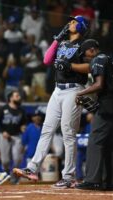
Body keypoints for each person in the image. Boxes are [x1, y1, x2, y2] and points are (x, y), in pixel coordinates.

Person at [13, 16, 90, 188]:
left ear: (82, 26)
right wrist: (58, 38)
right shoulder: (62, 43)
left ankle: (69, 176)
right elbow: (47, 60)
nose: (70, 23)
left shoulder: (85, 44)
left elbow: (91, 66)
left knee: (67, 133)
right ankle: (32, 168)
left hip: (74, 89)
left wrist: (70, 66)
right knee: (46, 129)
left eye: (74, 21)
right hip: (58, 90)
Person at [70, 39, 113, 191]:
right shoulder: (111, 59)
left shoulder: (97, 59)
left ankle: (92, 181)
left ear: (91, 50)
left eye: (85, 54)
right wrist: (112, 90)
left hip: (106, 107)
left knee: (95, 142)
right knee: (109, 145)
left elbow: (98, 84)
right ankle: (111, 183)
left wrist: (80, 92)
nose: (85, 58)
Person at [0, 90, 27, 183]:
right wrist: (3, 131)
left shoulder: (21, 110)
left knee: (17, 159)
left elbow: (23, 123)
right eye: (16, 96)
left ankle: (14, 179)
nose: (19, 97)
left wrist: (23, 128)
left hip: (16, 136)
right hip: (4, 136)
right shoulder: (3, 109)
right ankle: (6, 176)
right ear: (11, 98)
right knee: (5, 160)